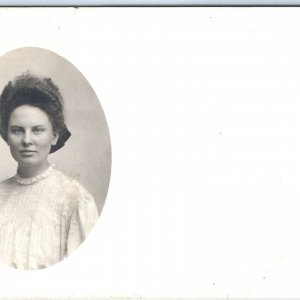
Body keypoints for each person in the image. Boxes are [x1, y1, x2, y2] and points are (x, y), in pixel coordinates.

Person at [0, 73, 99, 270]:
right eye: (18, 130)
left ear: (54, 136)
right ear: (7, 136)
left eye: (37, 130)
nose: (27, 140)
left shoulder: (75, 200)